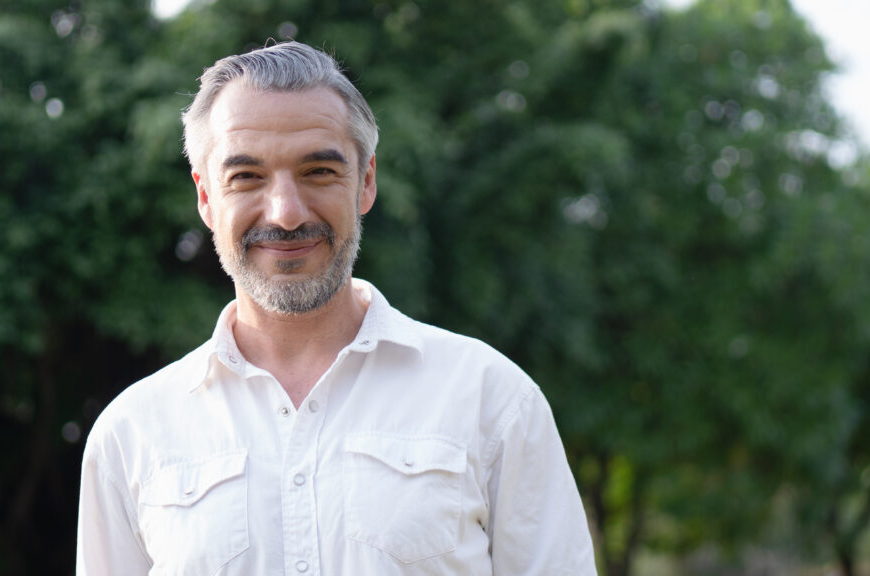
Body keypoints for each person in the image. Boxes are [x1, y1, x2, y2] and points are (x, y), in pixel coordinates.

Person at [76, 41, 596, 575]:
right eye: (246, 177)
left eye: (318, 171)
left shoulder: (492, 399)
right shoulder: (131, 434)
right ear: (206, 197)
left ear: (366, 181)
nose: (284, 213)